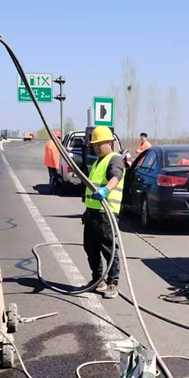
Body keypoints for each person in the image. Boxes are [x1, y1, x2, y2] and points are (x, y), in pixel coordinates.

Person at [82, 126, 124, 298]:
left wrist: (106, 190)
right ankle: (98, 280)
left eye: (100, 144)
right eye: (94, 145)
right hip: (93, 212)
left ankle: (113, 283)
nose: (97, 148)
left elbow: (116, 177)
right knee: (90, 247)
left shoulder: (115, 160)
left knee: (108, 249)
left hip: (106, 214)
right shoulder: (97, 162)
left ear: (110, 143)